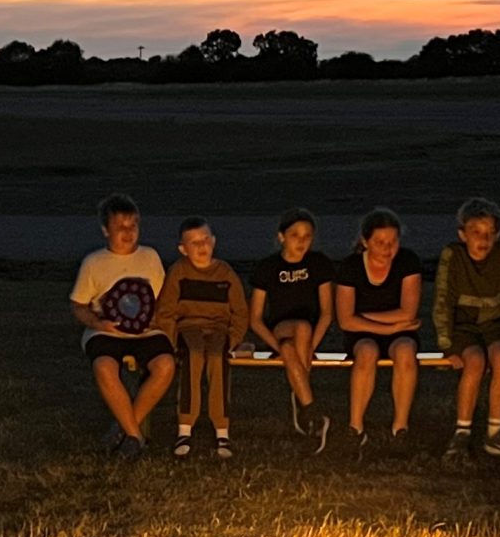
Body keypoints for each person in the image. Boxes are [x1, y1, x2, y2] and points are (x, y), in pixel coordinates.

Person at [69, 194, 177, 461]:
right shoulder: (94, 263)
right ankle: (135, 437)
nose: (128, 233)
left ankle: (125, 428)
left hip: (145, 329)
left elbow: (163, 297)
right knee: (104, 367)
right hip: (107, 329)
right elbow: (78, 306)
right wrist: (98, 323)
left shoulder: (150, 257)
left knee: (165, 365)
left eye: (133, 226)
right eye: (121, 228)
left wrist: (157, 318)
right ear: (106, 230)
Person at [431, 197, 500, 462]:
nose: (483, 239)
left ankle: (495, 432)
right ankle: (462, 432)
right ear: (462, 234)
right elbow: (443, 301)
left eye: (489, 233)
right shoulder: (453, 256)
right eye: (476, 232)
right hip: (464, 327)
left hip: (494, 326)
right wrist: (447, 345)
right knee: (474, 361)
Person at [334, 207, 426, 456]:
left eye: (392, 241)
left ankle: (400, 427)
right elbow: (345, 321)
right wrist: (390, 325)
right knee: (366, 352)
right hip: (363, 335)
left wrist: (364, 317)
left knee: (406, 351)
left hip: (397, 333)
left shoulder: (408, 261)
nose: (387, 248)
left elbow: (407, 312)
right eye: (380, 242)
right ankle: (355, 427)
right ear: (365, 242)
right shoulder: (350, 266)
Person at [161, 218, 249, 459]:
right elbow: (166, 311)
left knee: (217, 358)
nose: (202, 246)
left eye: (206, 239)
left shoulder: (225, 273)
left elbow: (240, 312)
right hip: (188, 328)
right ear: (183, 248)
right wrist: (170, 341)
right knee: (195, 354)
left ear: (214, 241)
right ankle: (185, 427)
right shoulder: (178, 271)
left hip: (219, 330)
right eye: (194, 242)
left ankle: (222, 430)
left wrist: (234, 338)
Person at [249, 208, 334, 452]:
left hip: (304, 339)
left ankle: (309, 415)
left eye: (307, 235)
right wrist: (277, 347)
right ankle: (308, 405)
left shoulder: (319, 264)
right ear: (281, 237)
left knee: (294, 343)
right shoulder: (268, 268)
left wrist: (307, 348)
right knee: (297, 330)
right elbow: (255, 319)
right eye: (295, 235)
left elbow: (327, 313)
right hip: (280, 330)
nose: (302, 241)